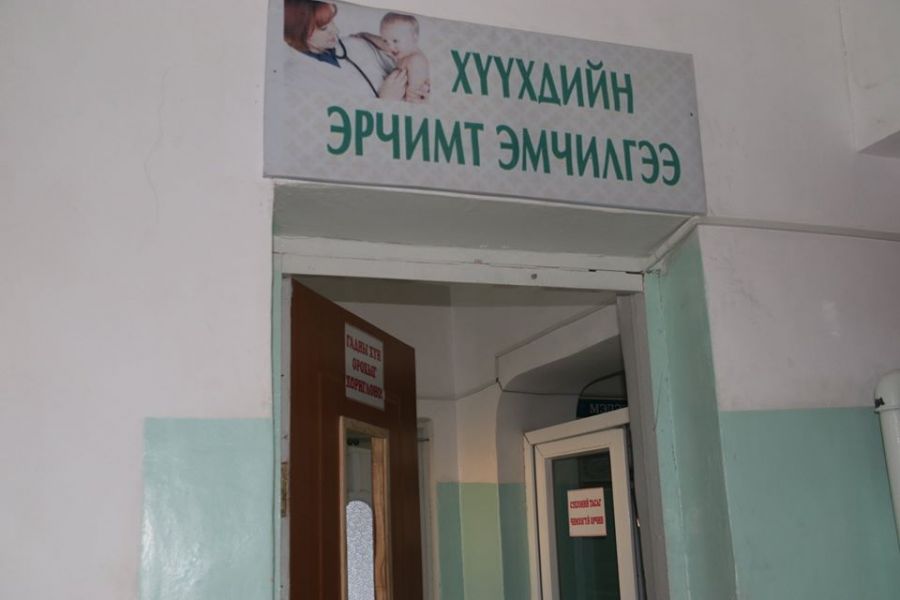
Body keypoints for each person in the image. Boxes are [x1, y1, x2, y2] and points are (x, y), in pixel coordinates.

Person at [282, 0, 427, 101]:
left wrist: (420, 89)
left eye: (332, 21)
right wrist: (385, 101)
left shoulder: (356, 43)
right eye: (324, 28)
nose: (336, 30)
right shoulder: (296, 76)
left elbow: (410, 56)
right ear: (298, 32)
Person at [378, 13, 429, 103]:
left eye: (395, 41)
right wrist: (364, 35)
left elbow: (413, 96)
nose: (390, 47)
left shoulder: (415, 61)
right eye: (385, 41)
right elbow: (378, 42)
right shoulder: (404, 53)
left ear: (414, 38)